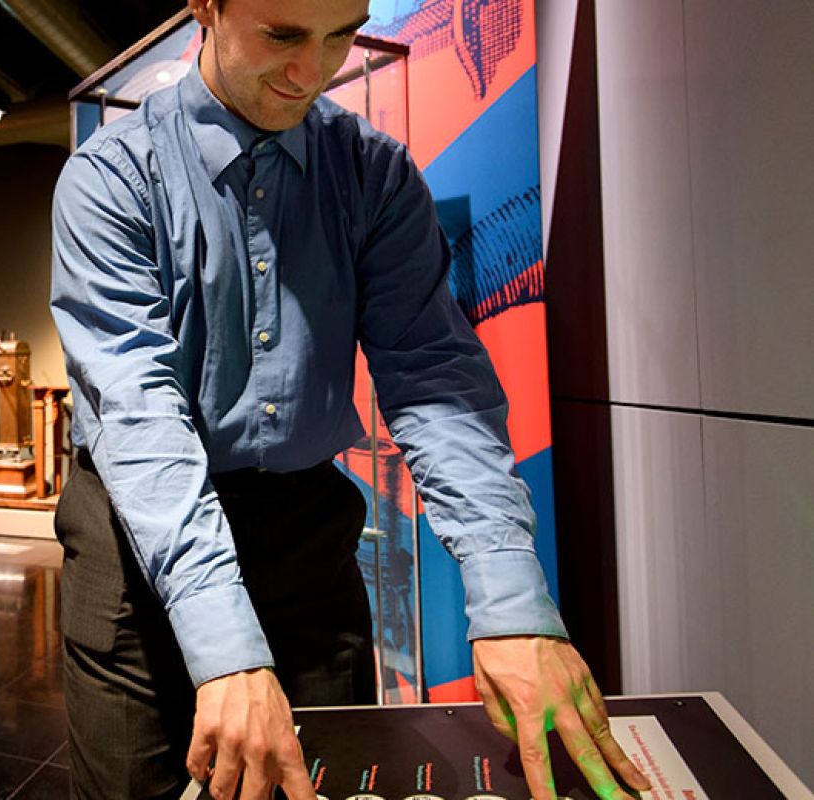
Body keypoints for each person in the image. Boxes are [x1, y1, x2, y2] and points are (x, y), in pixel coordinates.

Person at [48, 1, 653, 798]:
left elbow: (431, 373)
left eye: (340, 34)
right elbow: (139, 413)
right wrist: (226, 649)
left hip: (307, 539)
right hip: (136, 541)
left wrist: (509, 601)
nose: (313, 72)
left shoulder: (374, 172)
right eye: (281, 35)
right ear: (205, 6)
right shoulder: (113, 176)